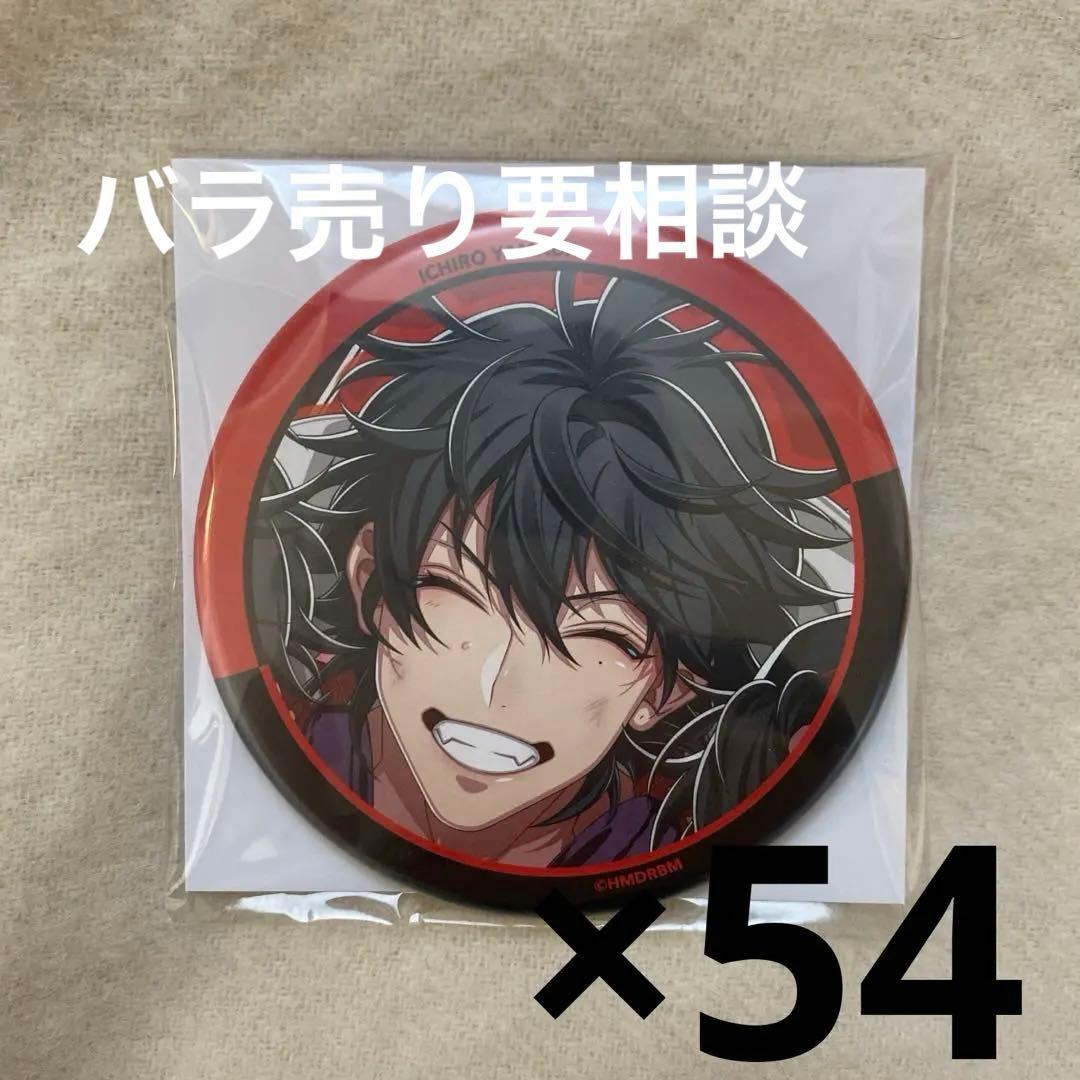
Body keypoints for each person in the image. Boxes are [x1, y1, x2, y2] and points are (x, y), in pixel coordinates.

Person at [254, 270, 852, 866]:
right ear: (372, 584)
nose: (496, 687)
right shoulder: (276, 759)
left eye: (599, 635)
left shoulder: (674, 849)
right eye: (452, 589)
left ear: (667, 690)